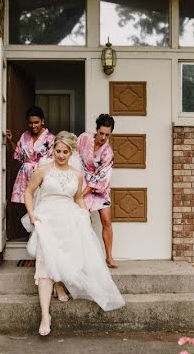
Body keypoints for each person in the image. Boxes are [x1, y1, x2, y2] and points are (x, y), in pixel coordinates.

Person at [24, 131, 125, 336]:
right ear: (53, 151)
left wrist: (83, 214)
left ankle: (60, 285)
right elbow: (28, 192)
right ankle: (45, 316)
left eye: (65, 152)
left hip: (68, 220)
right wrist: (32, 214)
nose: (60, 155)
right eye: (58, 151)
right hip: (47, 220)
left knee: (65, 258)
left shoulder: (77, 175)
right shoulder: (42, 171)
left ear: (71, 153)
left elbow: (78, 197)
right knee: (44, 267)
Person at [77, 114, 117, 267]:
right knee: (84, 219)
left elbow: (101, 177)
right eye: (101, 133)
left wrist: (82, 194)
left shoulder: (108, 153)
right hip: (82, 181)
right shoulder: (84, 138)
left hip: (100, 186)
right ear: (96, 130)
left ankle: (109, 256)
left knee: (106, 220)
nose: (104, 137)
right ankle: (85, 257)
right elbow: (72, 153)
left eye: (107, 134)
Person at [5, 106, 55, 206]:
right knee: (27, 206)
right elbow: (19, 154)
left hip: (41, 176)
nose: (33, 126)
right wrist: (10, 141)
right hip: (25, 176)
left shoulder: (50, 138)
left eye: (36, 122)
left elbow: (52, 162)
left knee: (41, 206)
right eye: (30, 123)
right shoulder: (25, 136)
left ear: (42, 121)